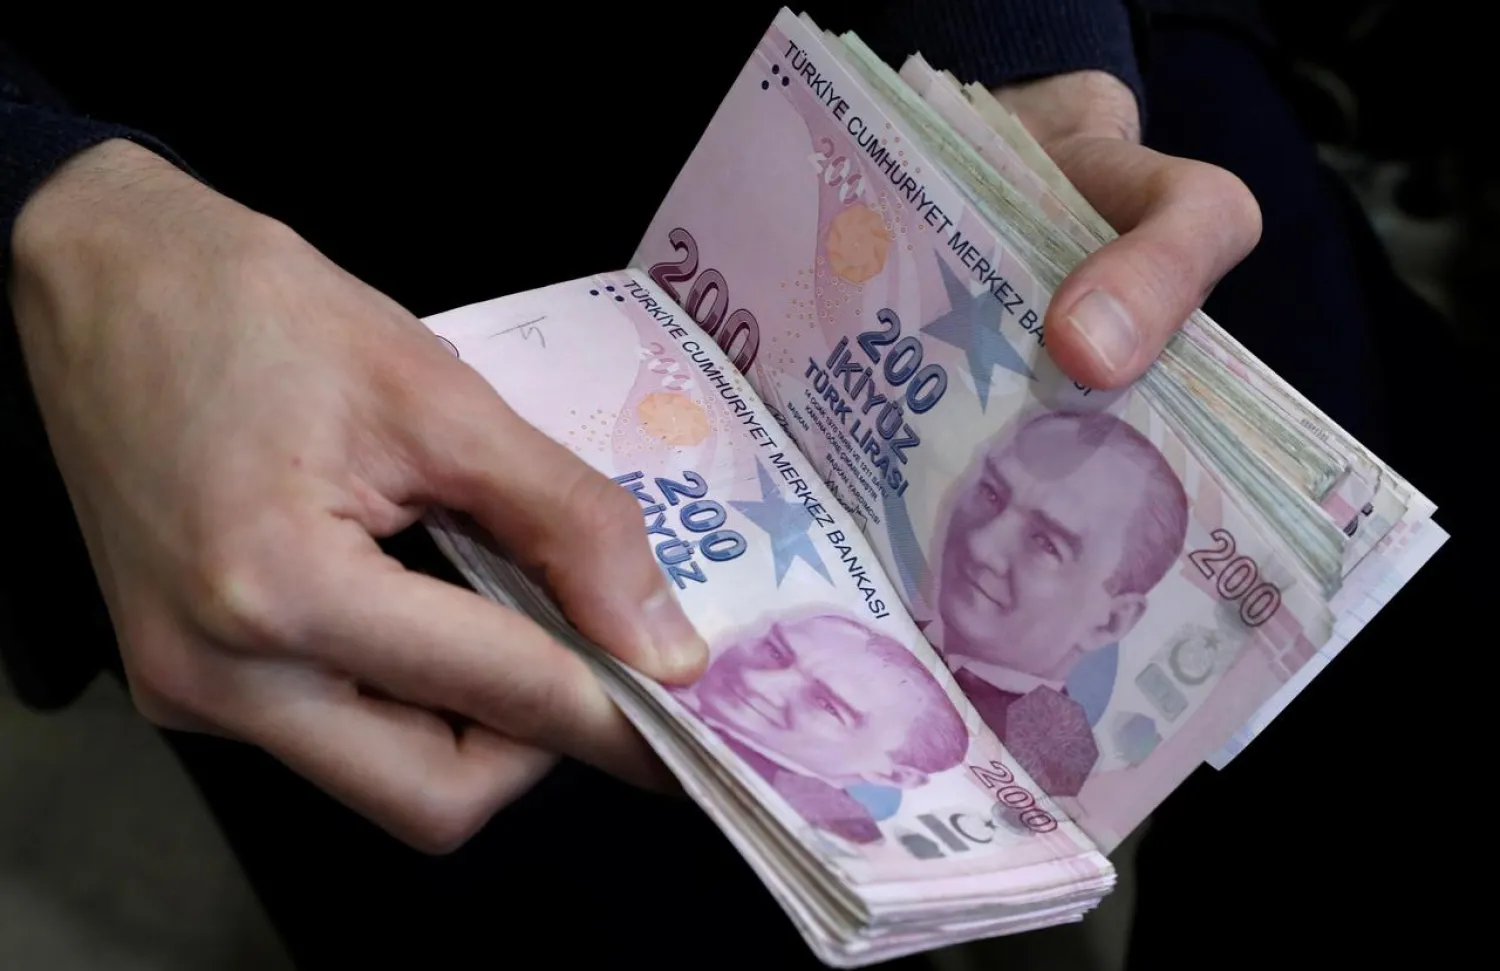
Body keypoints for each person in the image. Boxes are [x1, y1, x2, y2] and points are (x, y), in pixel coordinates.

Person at [3, 1, 1468, 968]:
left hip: (919, 67)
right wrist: (55, 211)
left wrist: (1019, 55)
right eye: (1011, 507)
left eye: (1053, 535)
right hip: (252, 283)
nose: (1003, 544)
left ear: (1124, 605)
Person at [929, 409, 1189, 793]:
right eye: (990, 493)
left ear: (1110, 622)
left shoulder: (1055, 770)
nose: (981, 545)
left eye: (1046, 544)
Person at [670, 611, 968, 846]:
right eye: (775, 652)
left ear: (893, 774)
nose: (755, 680)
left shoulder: (827, 834)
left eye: (828, 706)